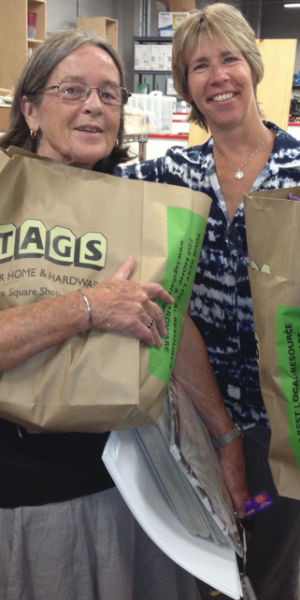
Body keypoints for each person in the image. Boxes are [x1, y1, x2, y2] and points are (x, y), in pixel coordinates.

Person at [0, 27, 248, 600]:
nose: (94, 105)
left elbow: (171, 320)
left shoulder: (132, 201)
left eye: (110, 95)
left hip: (141, 483)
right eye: (73, 91)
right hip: (37, 494)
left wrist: (226, 437)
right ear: (31, 110)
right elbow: (106, 309)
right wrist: (86, 307)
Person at [116, 4, 300, 600]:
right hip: (195, 416)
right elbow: (84, 190)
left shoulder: (297, 169)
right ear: (184, 85)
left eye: (228, 59)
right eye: (199, 65)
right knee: (199, 566)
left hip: (283, 424)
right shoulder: (170, 174)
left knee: (268, 554)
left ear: (252, 67)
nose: (217, 75)